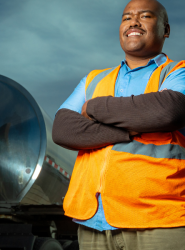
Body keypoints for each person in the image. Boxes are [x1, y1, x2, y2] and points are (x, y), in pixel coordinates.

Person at [52, 0, 185, 249]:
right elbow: (63, 130)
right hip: (93, 221)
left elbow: (168, 110)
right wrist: (130, 129)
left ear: (165, 30)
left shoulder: (177, 73)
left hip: (160, 220)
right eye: (126, 17)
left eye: (145, 16)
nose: (133, 22)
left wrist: (93, 108)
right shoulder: (93, 79)